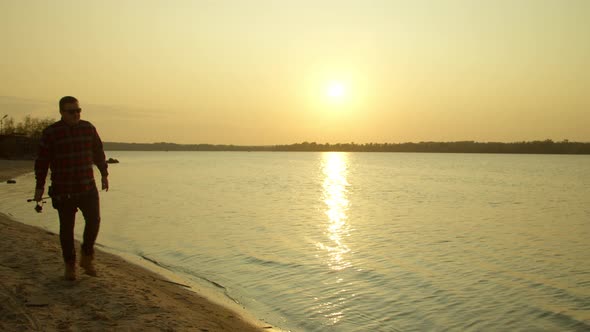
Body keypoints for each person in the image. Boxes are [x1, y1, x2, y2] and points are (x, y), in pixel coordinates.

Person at [34, 96, 109, 281]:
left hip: (87, 186)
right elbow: (42, 162)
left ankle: (87, 257)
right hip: (63, 189)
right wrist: (39, 187)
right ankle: (70, 266)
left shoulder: (88, 128)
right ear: (61, 112)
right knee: (67, 229)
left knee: (94, 221)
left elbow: (98, 152)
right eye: (71, 111)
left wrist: (104, 174)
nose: (76, 114)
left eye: (78, 110)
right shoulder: (51, 133)